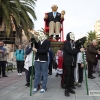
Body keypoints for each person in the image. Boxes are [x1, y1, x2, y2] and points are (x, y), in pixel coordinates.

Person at [63, 32, 84, 97]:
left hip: (73, 62)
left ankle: (70, 87)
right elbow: (70, 51)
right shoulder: (66, 43)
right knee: (68, 75)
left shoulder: (74, 43)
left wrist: (80, 47)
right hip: (67, 62)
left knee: (72, 75)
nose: (72, 36)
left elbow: (75, 51)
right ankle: (66, 89)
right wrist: (78, 50)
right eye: (71, 35)